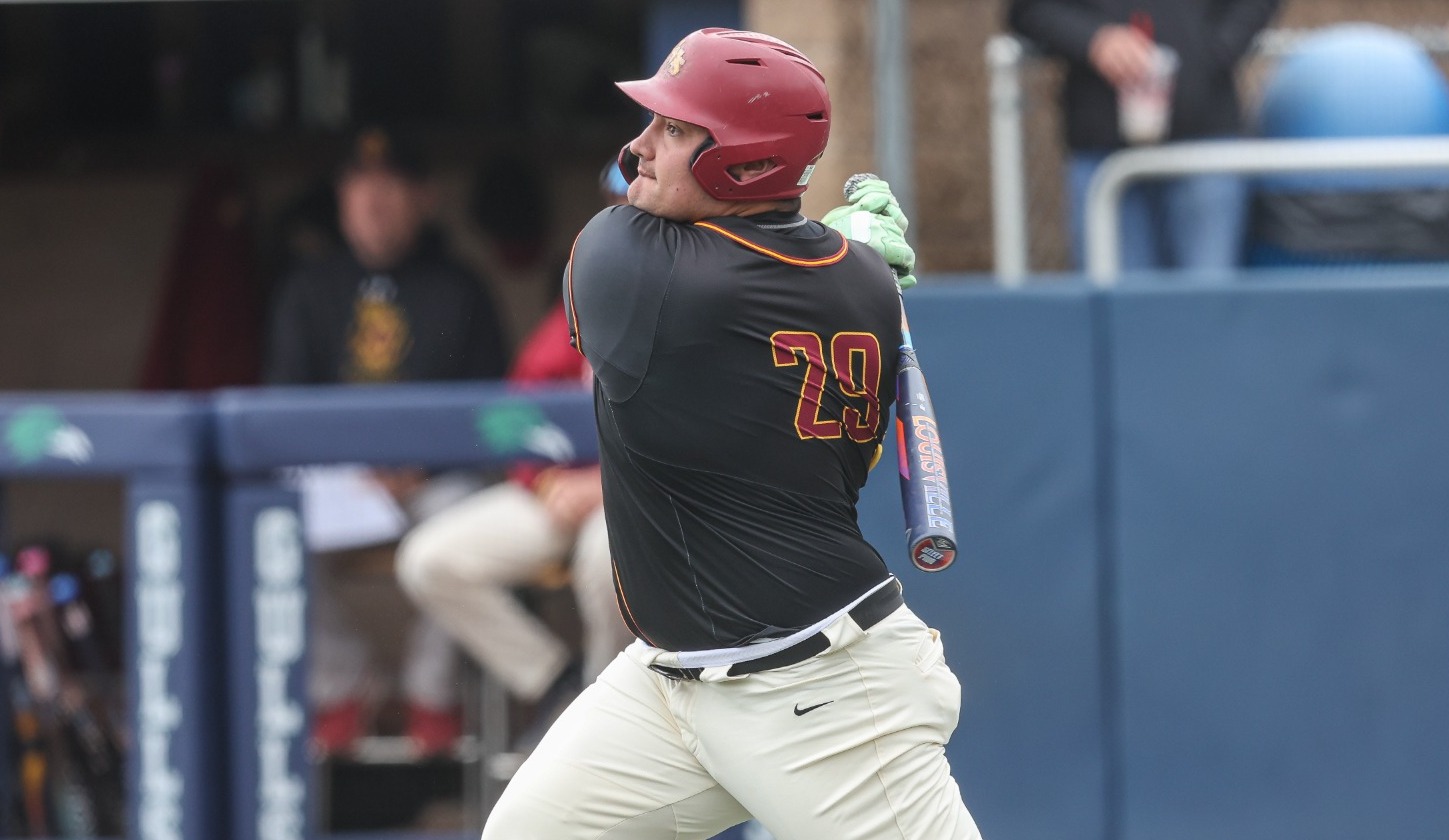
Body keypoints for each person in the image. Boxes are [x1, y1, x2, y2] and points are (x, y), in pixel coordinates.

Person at [484, 28, 979, 839]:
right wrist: (842, 242)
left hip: (822, 698)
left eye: (674, 130)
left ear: (745, 162)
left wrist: (838, 239)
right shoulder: (860, 282)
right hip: (672, 686)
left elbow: (720, 273)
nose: (637, 149)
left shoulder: (630, 267)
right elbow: (775, 262)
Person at [263, 126, 512, 757]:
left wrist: (424, 462)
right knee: (267, 528)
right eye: (358, 187)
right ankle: (346, 684)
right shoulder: (308, 286)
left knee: (467, 521)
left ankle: (432, 692)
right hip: (341, 484)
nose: (372, 202)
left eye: (389, 187)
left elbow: (498, 411)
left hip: (436, 482)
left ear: (425, 198)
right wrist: (350, 463)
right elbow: (283, 407)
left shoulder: (460, 287)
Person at [393, 161, 634, 762]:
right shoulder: (591, 289)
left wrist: (603, 485)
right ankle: (560, 689)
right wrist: (549, 478)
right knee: (430, 559)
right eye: (616, 201)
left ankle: (611, 718)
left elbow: (704, 431)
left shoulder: (702, 294)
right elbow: (514, 412)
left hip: (639, 498)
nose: (627, 214)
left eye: (637, 199)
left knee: (605, 564)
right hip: (562, 494)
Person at [1008, 0, 1280, 274]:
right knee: (1117, 304)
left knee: (1207, 301)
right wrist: (1094, 39)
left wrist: (1211, 51)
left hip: (1205, 140)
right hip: (1102, 145)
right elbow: (1028, 9)